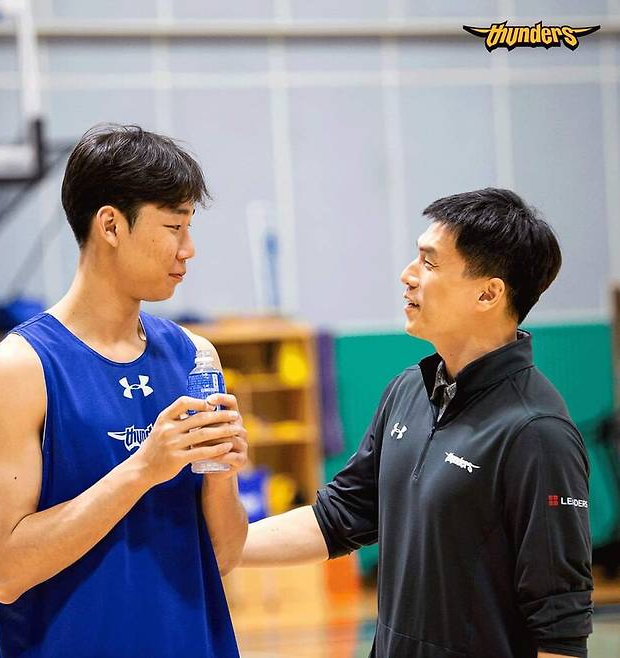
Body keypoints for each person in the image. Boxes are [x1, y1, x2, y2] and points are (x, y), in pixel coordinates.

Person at [242, 188, 593, 658]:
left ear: (488, 293)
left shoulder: (537, 432)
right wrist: (224, 546)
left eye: (429, 263)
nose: (407, 275)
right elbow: (340, 516)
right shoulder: (407, 390)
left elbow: (560, 628)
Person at [0, 124, 248, 658]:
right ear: (111, 225)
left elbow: (224, 555)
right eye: (174, 226)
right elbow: (1, 572)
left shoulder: (194, 357)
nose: (188, 249)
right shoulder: (18, 370)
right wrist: (143, 470)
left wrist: (222, 474)